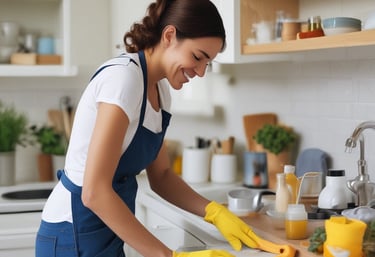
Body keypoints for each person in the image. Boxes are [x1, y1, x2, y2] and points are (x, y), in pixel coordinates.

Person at [35, 1, 265, 257]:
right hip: (72, 232)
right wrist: (169, 256)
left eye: (207, 63)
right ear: (169, 36)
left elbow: (162, 176)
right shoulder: (123, 80)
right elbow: (94, 192)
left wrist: (215, 212)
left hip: (106, 231)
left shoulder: (160, 89)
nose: (200, 72)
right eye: (198, 57)